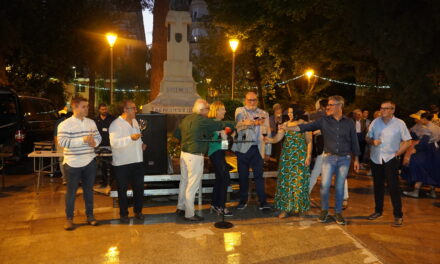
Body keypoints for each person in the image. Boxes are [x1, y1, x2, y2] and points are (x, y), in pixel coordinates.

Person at [284, 95, 360, 225]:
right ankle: (324, 211)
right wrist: (288, 128)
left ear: (339, 106)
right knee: (324, 186)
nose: (328, 107)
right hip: (328, 158)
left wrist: (357, 159)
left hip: (344, 159)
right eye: (328, 105)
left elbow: (354, 140)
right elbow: (305, 127)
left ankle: (338, 213)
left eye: (331, 105)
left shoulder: (349, 122)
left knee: (340, 187)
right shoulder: (324, 120)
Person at [174, 99, 236, 222]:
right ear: (202, 110)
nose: (208, 111)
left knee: (184, 182)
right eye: (207, 108)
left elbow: (176, 135)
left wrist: (188, 140)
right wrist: (239, 123)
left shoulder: (186, 119)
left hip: (184, 154)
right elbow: (220, 126)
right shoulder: (203, 120)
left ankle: (181, 208)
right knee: (192, 185)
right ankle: (190, 213)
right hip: (195, 155)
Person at [57, 97, 102, 231]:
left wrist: (95, 143)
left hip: (89, 161)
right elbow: (62, 142)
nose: (87, 109)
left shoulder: (91, 122)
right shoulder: (65, 124)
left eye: (87, 106)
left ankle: (90, 216)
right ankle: (69, 219)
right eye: (84, 106)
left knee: (89, 191)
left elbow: (98, 137)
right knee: (71, 192)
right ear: (74, 107)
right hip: (72, 163)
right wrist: (82, 140)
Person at [366, 100, 411, 227]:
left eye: (386, 108)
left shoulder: (399, 123)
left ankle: (398, 215)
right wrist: (372, 141)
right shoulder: (375, 122)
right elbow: (367, 137)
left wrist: (397, 154)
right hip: (376, 158)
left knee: (393, 187)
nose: (383, 110)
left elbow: (408, 141)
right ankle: (378, 211)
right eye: (381, 108)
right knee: (378, 186)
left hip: (390, 158)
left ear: (392, 110)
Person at [264, 106, 312, 218]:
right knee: (286, 184)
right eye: (288, 112)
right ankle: (286, 209)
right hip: (287, 158)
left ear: (297, 112)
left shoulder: (305, 124)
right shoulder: (285, 124)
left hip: (300, 157)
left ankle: (300, 208)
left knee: (299, 183)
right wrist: (268, 140)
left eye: (291, 112)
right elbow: (277, 138)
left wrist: (308, 156)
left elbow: (309, 142)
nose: (289, 114)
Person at [232, 91, 272, 210]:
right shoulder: (240, 111)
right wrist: (255, 122)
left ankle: (263, 202)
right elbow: (239, 125)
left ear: (257, 100)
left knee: (259, 177)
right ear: (245, 100)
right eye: (249, 100)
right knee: (243, 176)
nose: (252, 102)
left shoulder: (264, 113)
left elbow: (268, 132)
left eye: (254, 100)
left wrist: (268, 151)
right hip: (243, 149)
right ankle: (243, 200)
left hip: (258, 149)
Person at [110, 100, 147, 223]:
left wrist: (141, 144)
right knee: (122, 190)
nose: (136, 110)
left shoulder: (136, 122)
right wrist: (130, 138)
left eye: (135, 108)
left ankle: (138, 211)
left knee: (139, 188)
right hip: (123, 163)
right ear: (125, 110)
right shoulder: (115, 124)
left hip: (137, 160)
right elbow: (114, 144)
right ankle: (123, 214)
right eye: (133, 108)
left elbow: (138, 137)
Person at [402, 111, 440, 199]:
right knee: (432, 170)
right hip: (435, 151)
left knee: (418, 167)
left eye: (421, 119)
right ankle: (432, 192)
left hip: (426, 151)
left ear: (424, 119)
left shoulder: (426, 128)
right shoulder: (437, 127)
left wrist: (416, 148)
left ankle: (416, 191)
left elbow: (424, 143)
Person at [207, 101, 233, 217]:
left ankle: (214, 204)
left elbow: (225, 147)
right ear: (216, 111)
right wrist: (221, 135)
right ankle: (221, 206)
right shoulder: (212, 124)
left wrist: (226, 137)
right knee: (225, 178)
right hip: (215, 154)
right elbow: (211, 142)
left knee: (219, 179)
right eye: (223, 109)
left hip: (219, 153)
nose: (225, 111)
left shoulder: (221, 124)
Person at [95, 103, 115, 188]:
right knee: (102, 165)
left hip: (111, 145)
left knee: (112, 165)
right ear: (99, 110)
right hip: (100, 146)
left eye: (105, 109)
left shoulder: (112, 119)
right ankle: (103, 182)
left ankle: (111, 183)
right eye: (102, 109)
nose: (104, 111)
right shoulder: (95, 120)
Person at [54, 112, 73, 185]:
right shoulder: (59, 123)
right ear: (65, 118)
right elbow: (56, 136)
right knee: (62, 160)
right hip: (60, 144)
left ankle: (71, 178)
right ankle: (64, 178)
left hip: (70, 143)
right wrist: (59, 146)